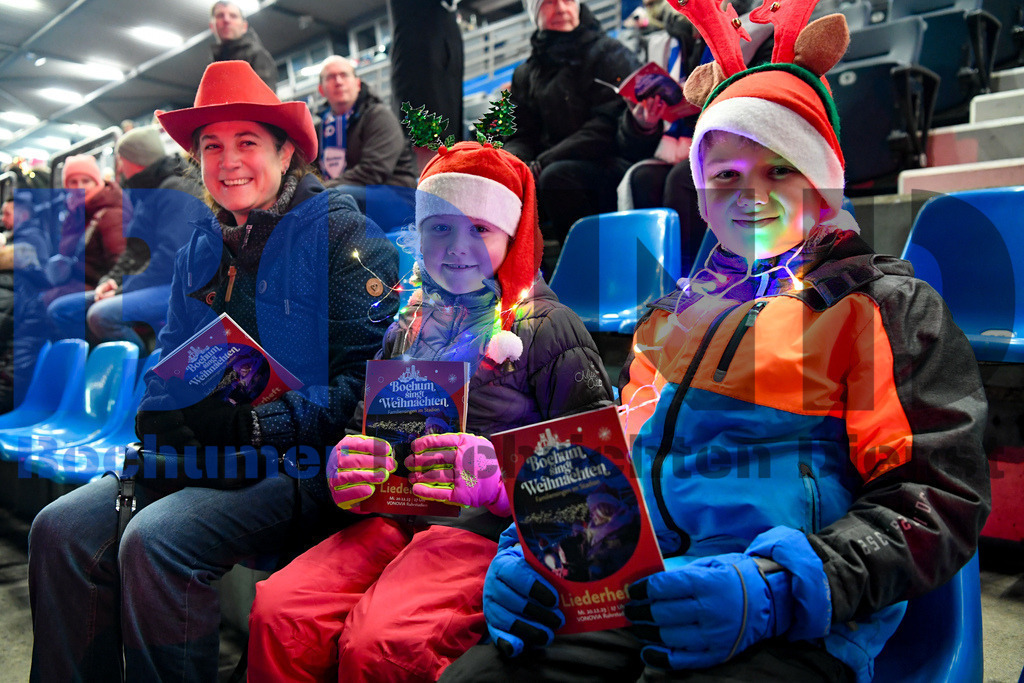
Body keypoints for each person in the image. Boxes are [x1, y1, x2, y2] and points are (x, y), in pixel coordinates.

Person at [442, 7, 990, 683]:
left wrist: (778, 587)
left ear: (820, 187)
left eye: (779, 172)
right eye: (725, 175)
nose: (748, 196)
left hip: (798, 619)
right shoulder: (672, 315)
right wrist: (534, 543)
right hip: (647, 585)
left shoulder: (882, 307)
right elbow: (621, 460)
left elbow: (937, 497)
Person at [27, 60, 398, 681]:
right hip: (213, 459)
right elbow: (168, 362)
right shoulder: (200, 247)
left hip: (309, 463)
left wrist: (256, 429)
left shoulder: (348, 238)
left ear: (286, 154)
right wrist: (165, 412)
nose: (228, 161)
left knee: (158, 539)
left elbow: (364, 393)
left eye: (247, 142)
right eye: (211, 146)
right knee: (58, 529)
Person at [246, 140, 615, 682]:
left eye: (480, 229)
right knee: (280, 612)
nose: (457, 246)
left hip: (481, 532)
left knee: (383, 644)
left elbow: (598, 470)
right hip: (393, 518)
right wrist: (345, 468)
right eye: (439, 227)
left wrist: (497, 481)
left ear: (512, 234)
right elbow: (360, 432)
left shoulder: (546, 327)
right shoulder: (406, 325)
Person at [505, 0, 660, 249]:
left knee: (556, 178)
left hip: (608, 165)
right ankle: (526, 277)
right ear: (534, 12)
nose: (561, 8)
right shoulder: (525, 73)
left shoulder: (610, 53)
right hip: (549, 166)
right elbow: (519, 134)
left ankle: (588, 269)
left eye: (568, 0)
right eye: (548, 2)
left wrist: (545, 162)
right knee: (505, 181)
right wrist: (515, 164)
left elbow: (609, 125)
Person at [46, 125, 204, 350]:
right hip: (148, 282)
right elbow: (133, 252)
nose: (119, 167)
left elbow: (171, 259)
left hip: (178, 285)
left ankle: (141, 372)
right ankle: (93, 370)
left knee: (101, 315)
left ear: (131, 160)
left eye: (120, 160)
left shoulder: (176, 190)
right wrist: (110, 281)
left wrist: (122, 289)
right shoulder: (149, 192)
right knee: (60, 310)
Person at [311, 55, 418, 228]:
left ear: (357, 84)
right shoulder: (318, 130)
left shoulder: (378, 116)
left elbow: (373, 172)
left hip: (396, 196)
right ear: (321, 90)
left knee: (334, 197)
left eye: (344, 75)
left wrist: (321, 190)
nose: (338, 81)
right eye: (330, 77)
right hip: (344, 193)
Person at [43, 154, 124, 317]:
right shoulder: (74, 215)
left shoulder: (110, 213)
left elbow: (120, 263)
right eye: (73, 182)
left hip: (99, 286)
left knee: (52, 307)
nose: (80, 187)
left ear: (97, 181)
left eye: (86, 181)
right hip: (77, 282)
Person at [209, 1, 277, 89]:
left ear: (244, 26)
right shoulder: (213, 63)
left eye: (233, 16)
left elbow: (266, 99)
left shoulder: (257, 56)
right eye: (220, 16)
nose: (226, 20)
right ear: (212, 26)